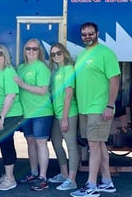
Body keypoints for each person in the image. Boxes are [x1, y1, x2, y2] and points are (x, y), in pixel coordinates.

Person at [70, 22, 120, 197]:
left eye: (90, 33)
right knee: (99, 144)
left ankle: (91, 185)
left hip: (98, 107)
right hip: (85, 108)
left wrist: (109, 105)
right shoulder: (82, 55)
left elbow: (115, 81)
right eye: (84, 34)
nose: (87, 37)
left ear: (97, 33)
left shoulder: (106, 53)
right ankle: (107, 182)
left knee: (93, 145)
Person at [14, 38, 54, 191]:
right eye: (28, 48)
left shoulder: (42, 67)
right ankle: (33, 173)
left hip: (41, 112)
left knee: (40, 143)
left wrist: (23, 85)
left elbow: (43, 90)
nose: (31, 51)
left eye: (34, 49)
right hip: (27, 113)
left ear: (39, 51)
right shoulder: (21, 67)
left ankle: (43, 178)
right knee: (30, 142)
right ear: (24, 51)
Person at [0, 44, 23, 191]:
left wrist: (1, 116)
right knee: (3, 144)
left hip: (8, 115)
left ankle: (10, 179)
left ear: (5, 55)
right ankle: (7, 175)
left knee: (6, 145)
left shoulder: (8, 71)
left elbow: (11, 95)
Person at [48, 43, 79, 191]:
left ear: (64, 53)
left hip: (68, 113)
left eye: (58, 53)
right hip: (57, 113)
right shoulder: (57, 71)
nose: (56, 56)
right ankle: (64, 174)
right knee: (55, 141)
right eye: (53, 54)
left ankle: (72, 180)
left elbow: (68, 93)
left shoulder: (68, 69)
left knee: (71, 145)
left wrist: (65, 117)